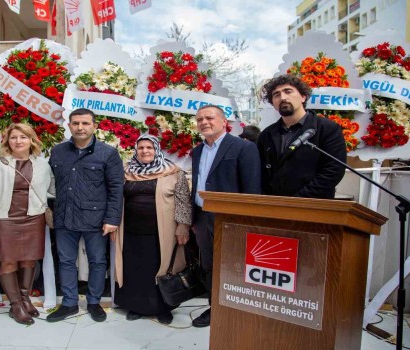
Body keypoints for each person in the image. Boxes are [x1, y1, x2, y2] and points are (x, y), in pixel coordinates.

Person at [46, 108, 124, 323]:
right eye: (76, 123)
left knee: (98, 261)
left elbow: (116, 188)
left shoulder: (108, 153)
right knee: (66, 261)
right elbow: (50, 183)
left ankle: (93, 302)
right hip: (64, 217)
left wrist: (112, 219)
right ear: (69, 125)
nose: (80, 127)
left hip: (96, 219)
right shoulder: (58, 151)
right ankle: (69, 303)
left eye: (85, 123)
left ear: (94, 126)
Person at [191, 104, 261, 327]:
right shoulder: (198, 151)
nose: (204, 122)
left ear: (224, 122)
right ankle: (215, 308)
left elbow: (251, 190)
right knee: (209, 266)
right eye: (200, 119)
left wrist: (246, 224)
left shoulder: (242, 148)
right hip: (203, 218)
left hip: (231, 221)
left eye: (209, 118)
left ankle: (237, 310)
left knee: (234, 267)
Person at [0, 123, 55, 325]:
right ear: (7, 141)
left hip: (33, 218)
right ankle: (15, 305)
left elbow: (52, 189)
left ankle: (25, 298)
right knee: (9, 260)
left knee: (29, 260)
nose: (18, 141)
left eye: (23, 137)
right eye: (13, 137)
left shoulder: (43, 164)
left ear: (32, 140)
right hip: (5, 219)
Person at [114, 134, 192, 325]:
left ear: (156, 150)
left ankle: (163, 308)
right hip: (131, 231)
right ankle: (136, 307)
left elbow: (183, 201)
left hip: (162, 232)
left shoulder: (173, 172)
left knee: (162, 269)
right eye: (141, 148)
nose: (145, 151)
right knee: (134, 269)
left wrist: (183, 226)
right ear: (135, 150)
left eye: (149, 147)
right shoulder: (125, 171)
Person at [257, 74, 346, 199]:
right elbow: (262, 174)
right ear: (273, 103)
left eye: (288, 91)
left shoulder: (327, 129)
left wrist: (299, 199)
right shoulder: (266, 135)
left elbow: (333, 170)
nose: (283, 97)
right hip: (276, 207)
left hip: (314, 207)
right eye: (276, 95)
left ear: (303, 97)